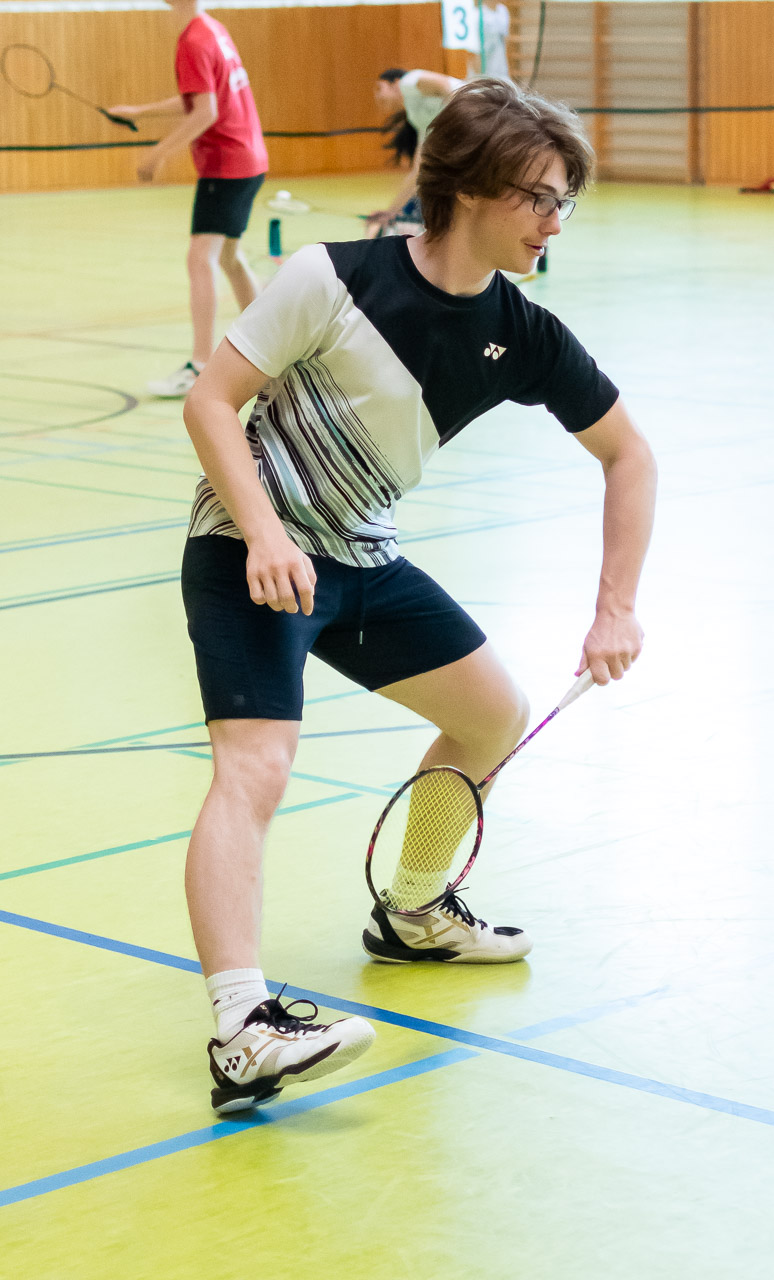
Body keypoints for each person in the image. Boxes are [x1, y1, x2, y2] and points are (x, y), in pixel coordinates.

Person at [180, 77, 657, 1113]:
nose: (555, 220)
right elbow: (211, 401)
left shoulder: (521, 331)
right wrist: (262, 531)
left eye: (565, 200)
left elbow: (629, 455)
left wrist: (614, 605)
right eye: (539, 196)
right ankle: (241, 1026)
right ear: (473, 189)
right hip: (247, 549)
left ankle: (412, 911)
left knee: (490, 715)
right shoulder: (333, 277)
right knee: (255, 766)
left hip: (359, 555)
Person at [110, 0, 268, 399]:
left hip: (226, 163)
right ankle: (272, 344)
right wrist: (140, 112)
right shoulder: (212, 29)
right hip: (249, 157)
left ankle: (200, 365)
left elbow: (205, 112)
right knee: (229, 258)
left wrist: (157, 153)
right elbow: (201, 97)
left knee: (201, 259)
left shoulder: (193, 40)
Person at [369, 68, 462, 234]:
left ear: (395, 83)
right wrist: (390, 212)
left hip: (489, 110)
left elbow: (446, 86)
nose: (377, 96)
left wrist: (458, 119)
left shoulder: (408, 81)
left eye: (379, 88)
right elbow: (418, 173)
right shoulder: (418, 119)